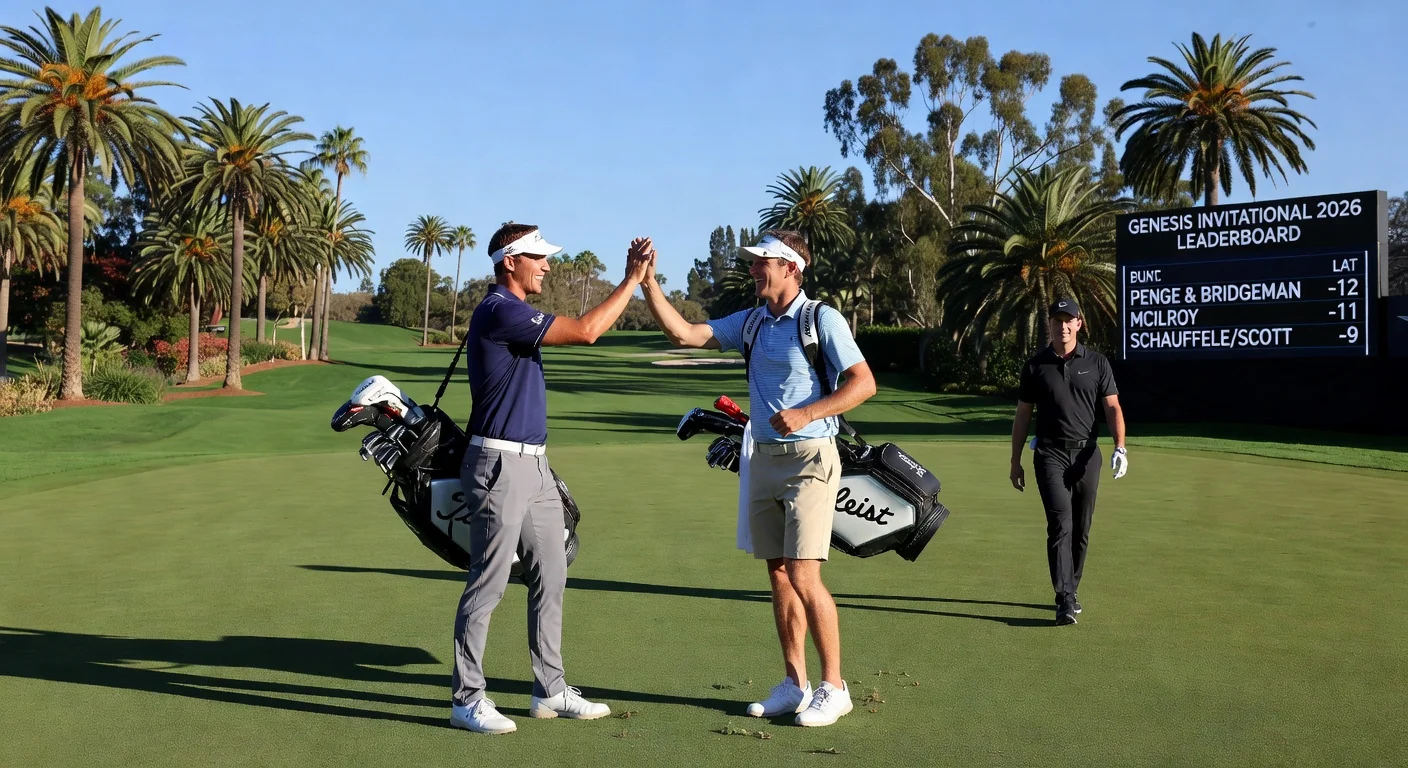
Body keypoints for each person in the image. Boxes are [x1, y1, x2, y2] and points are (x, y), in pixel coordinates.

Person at [635, 230, 876, 728]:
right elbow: (686, 335)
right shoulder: (751, 321)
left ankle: (835, 688)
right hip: (762, 459)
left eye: (761, 262)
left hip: (810, 459)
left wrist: (808, 412)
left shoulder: (821, 319)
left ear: (790, 267)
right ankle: (794, 684)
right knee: (779, 574)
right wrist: (648, 283)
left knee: (804, 574)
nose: (752, 270)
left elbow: (863, 383)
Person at [450, 223, 652, 734]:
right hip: (498, 465)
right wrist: (632, 280)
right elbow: (585, 331)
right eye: (537, 257)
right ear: (510, 261)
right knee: (489, 582)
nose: (546, 265)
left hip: (535, 466)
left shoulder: (513, 310)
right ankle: (467, 699)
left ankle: (550, 689)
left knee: (551, 571)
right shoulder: (501, 309)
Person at [1009, 297, 1128, 626]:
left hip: (1087, 455)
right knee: (1060, 524)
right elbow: (1023, 414)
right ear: (1049, 324)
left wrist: (1120, 447)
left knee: (1081, 528)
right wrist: (1015, 460)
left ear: (1078, 324)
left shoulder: (1097, 363)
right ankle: (1064, 597)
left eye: (1068, 320)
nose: (1062, 326)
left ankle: (1071, 588)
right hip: (1050, 454)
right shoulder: (1035, 366)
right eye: (1056, 320)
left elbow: (1112, 407)